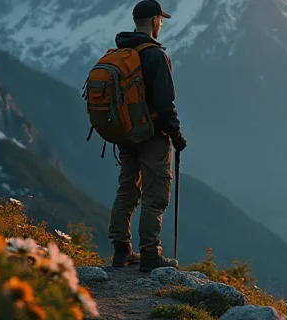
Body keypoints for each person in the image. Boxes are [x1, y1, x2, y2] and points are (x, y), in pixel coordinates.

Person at [108, 0, 188, 272]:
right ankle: (150, 254)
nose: (161, 24)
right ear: (155, 21)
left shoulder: (120, 51)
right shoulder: (155, 55)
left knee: (127, 190)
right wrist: (176, 136)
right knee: (155, 195)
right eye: (161, 20)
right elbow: (166, 104)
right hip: (152, 135)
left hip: (125, 133)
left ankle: (121, 251)